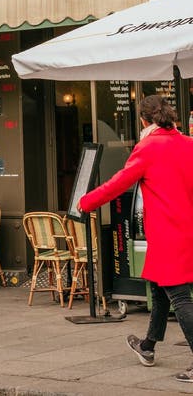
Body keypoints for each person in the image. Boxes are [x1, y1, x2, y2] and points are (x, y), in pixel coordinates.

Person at [78, 94, 193, 383]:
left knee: (179, 296)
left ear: (142, 120)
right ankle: (148, 346)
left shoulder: (148, 147)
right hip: (187, 229)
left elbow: (118, 182)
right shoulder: (188, 144)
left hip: (167, 233)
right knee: (158, 287)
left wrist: (86, 202)